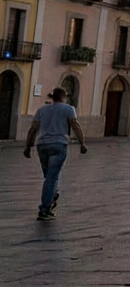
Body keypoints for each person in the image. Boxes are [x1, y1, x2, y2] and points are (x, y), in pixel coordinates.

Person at [24, 87, 87, 221]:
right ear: (64, 97)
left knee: (49, 177)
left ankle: (52, 195)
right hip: (58, 145)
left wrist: (28, 146)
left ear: (53, 97)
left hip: (42, 146)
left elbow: (33, 128)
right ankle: (45, 209)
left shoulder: (42, 110)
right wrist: (82, 143)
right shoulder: (69, 109)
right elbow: (75, 125)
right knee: (52, 178)